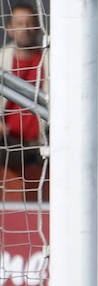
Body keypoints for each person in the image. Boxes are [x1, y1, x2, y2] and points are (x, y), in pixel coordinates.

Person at [0, 2, 44, 170]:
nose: (25, 28)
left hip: (44, 142)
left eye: (30, 23)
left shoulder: (52, 60)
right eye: (19, 24)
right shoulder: (2, 59)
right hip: (8, 143)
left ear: (38, 28)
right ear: (10, 29)